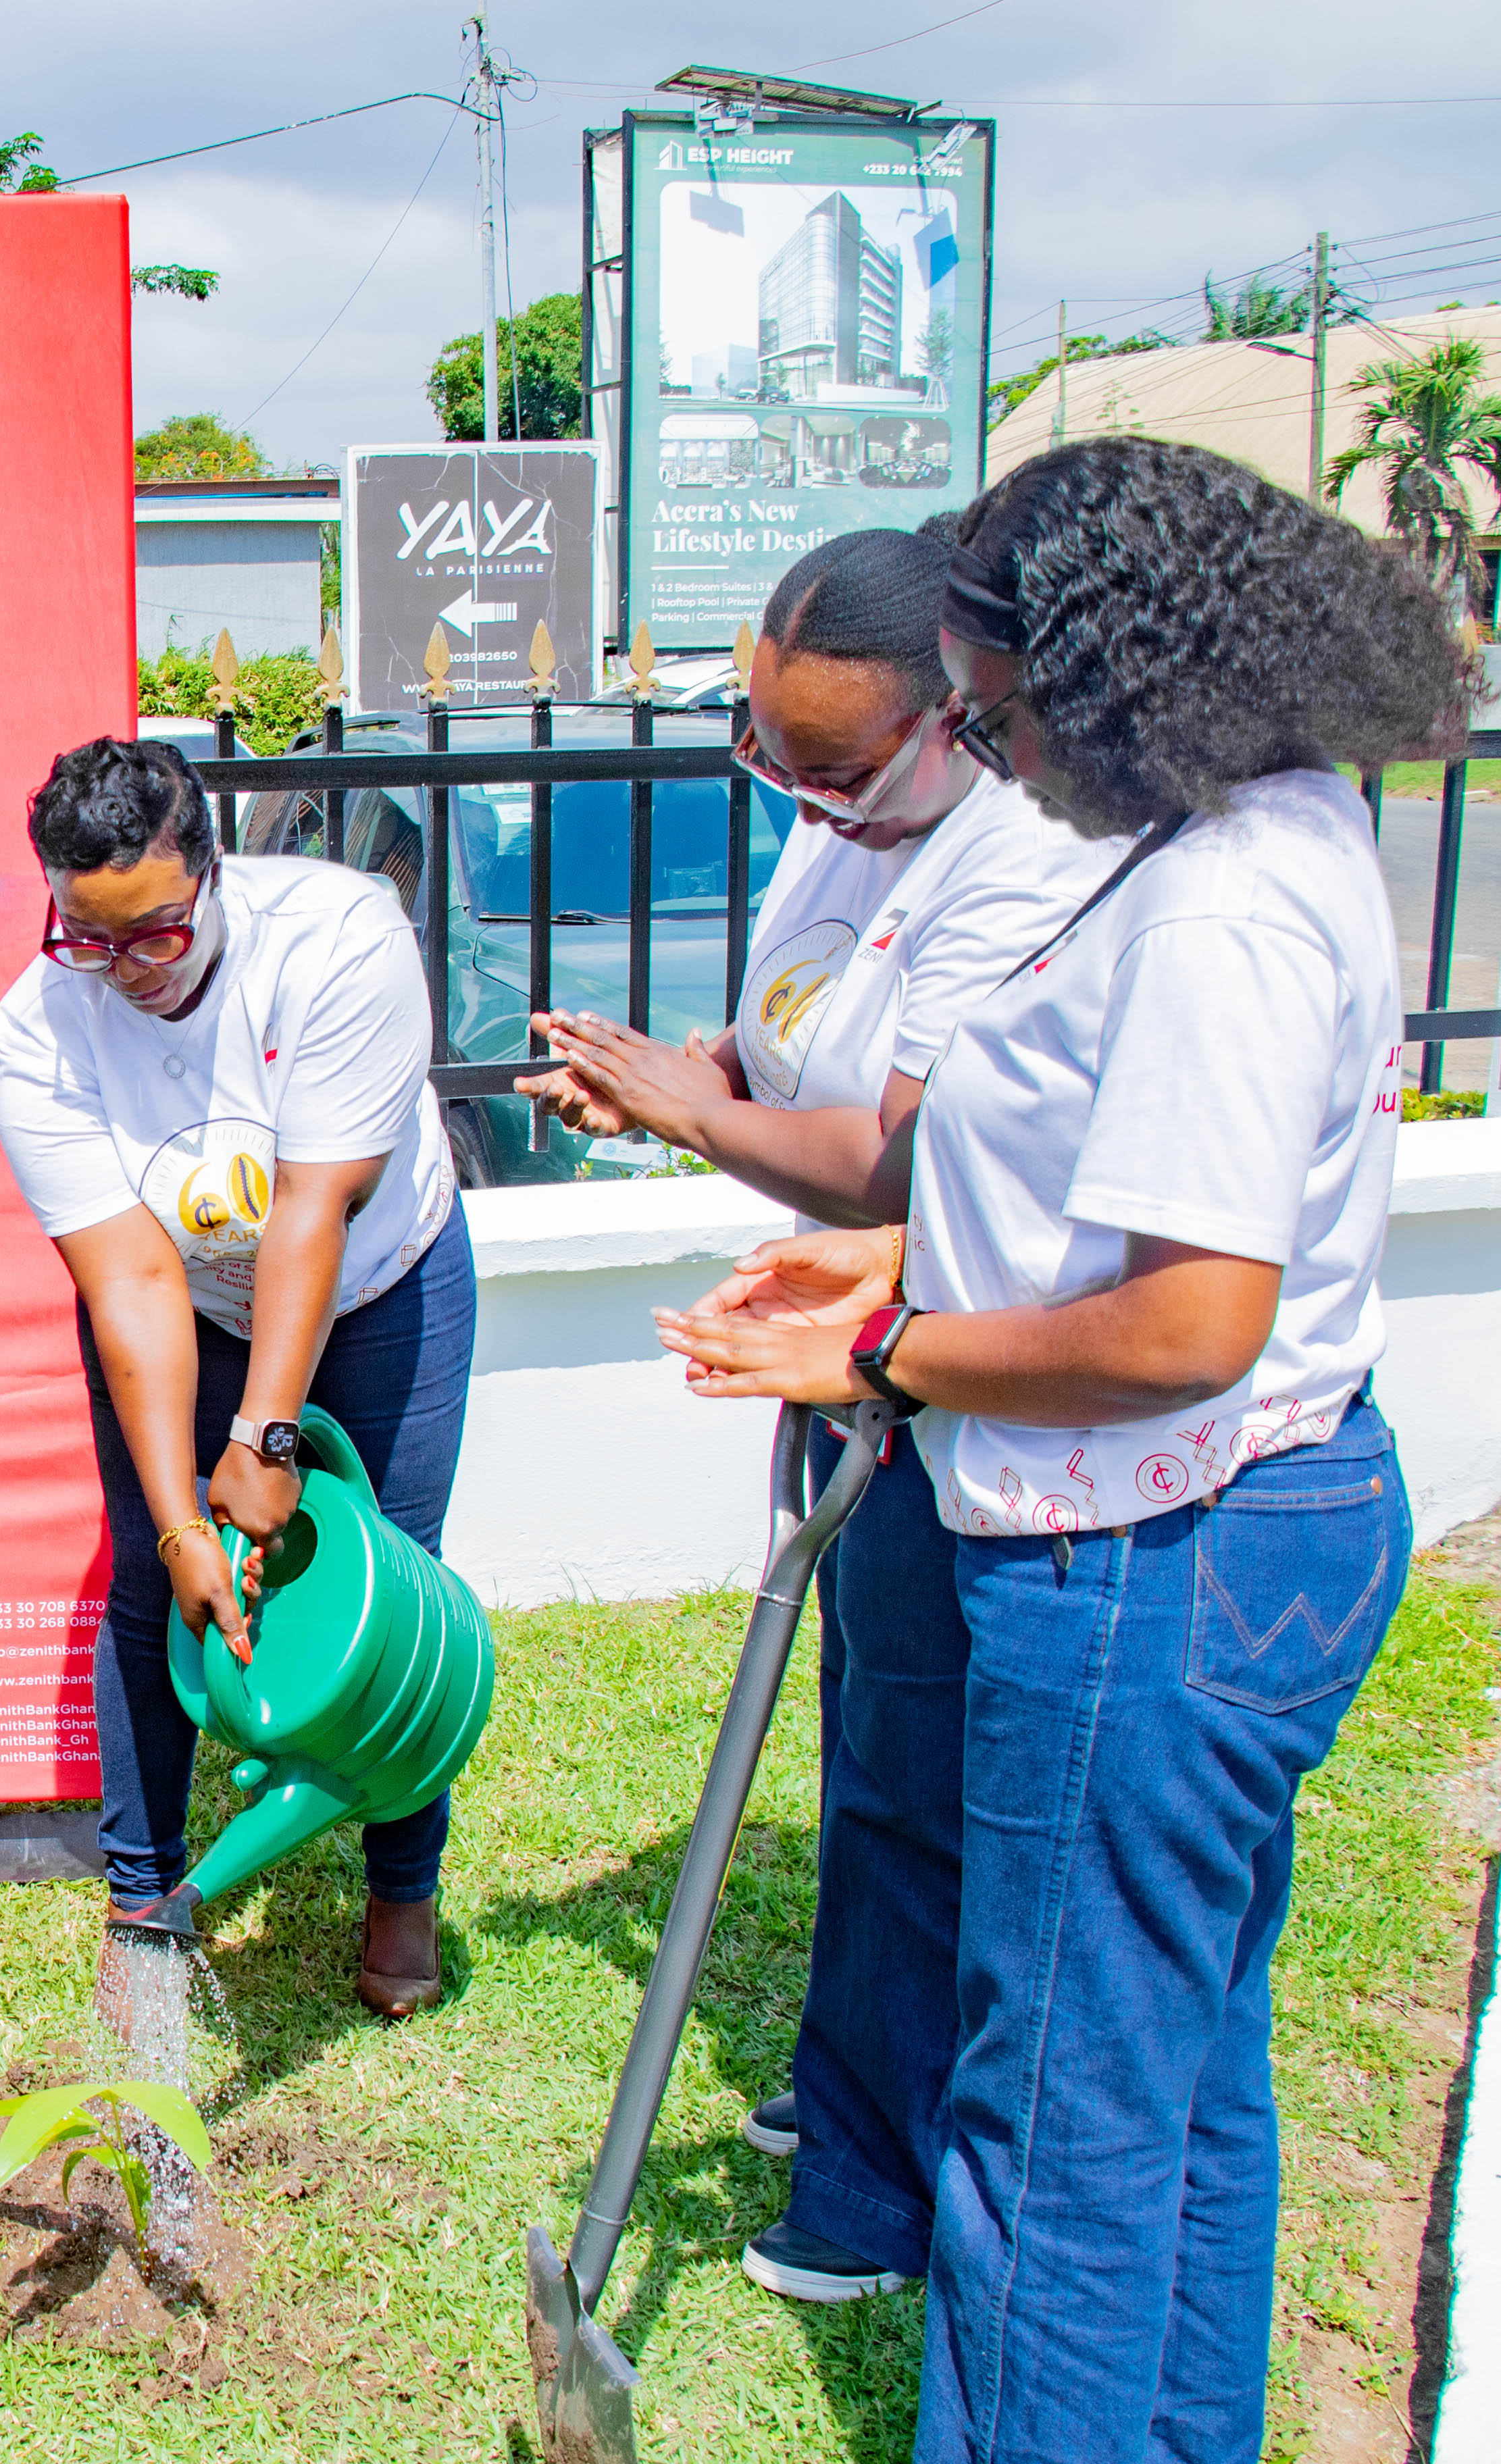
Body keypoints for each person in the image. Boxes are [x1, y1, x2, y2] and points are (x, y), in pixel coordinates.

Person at [655, 435, 1457, 2461]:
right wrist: (898, 1258)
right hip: (1226, 1523)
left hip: (1153, 1560)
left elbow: (1185, 1326)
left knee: (1054, 2138)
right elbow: (1120, 1201)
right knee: (1169, 2091)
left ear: (1125, 678)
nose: (995, 756)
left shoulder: (1217, 913)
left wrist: (890, 1344)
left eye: (1001, 712)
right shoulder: (1241, 830)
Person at [526, 525, 1120, 2308]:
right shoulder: (847, 812)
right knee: (872, 1756)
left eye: (837, 770)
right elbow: (791, 1051)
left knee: (921, 1788)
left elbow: (900, 1156)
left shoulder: (1022, 858)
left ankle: (879, 2189)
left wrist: (692, 1115)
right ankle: (861, 2079)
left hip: (971, 1375)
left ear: (961, 720)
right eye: (769, 753)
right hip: (860, 1352)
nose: (801, 798)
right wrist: (684, 1079)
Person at [0, 736, 472, 2018]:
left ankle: (403, 1885)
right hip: (190, 1302)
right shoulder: (36, 1031)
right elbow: (132, 1286)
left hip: (377, 1283)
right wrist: (182, 1518)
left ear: (211, 871)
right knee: (154, 1586)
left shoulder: (339, 940)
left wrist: (265, 1440)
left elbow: (315, 1206)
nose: (127, 970)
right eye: (90, 940)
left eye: (155, 932)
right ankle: (141, 1901)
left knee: (393, 1580)